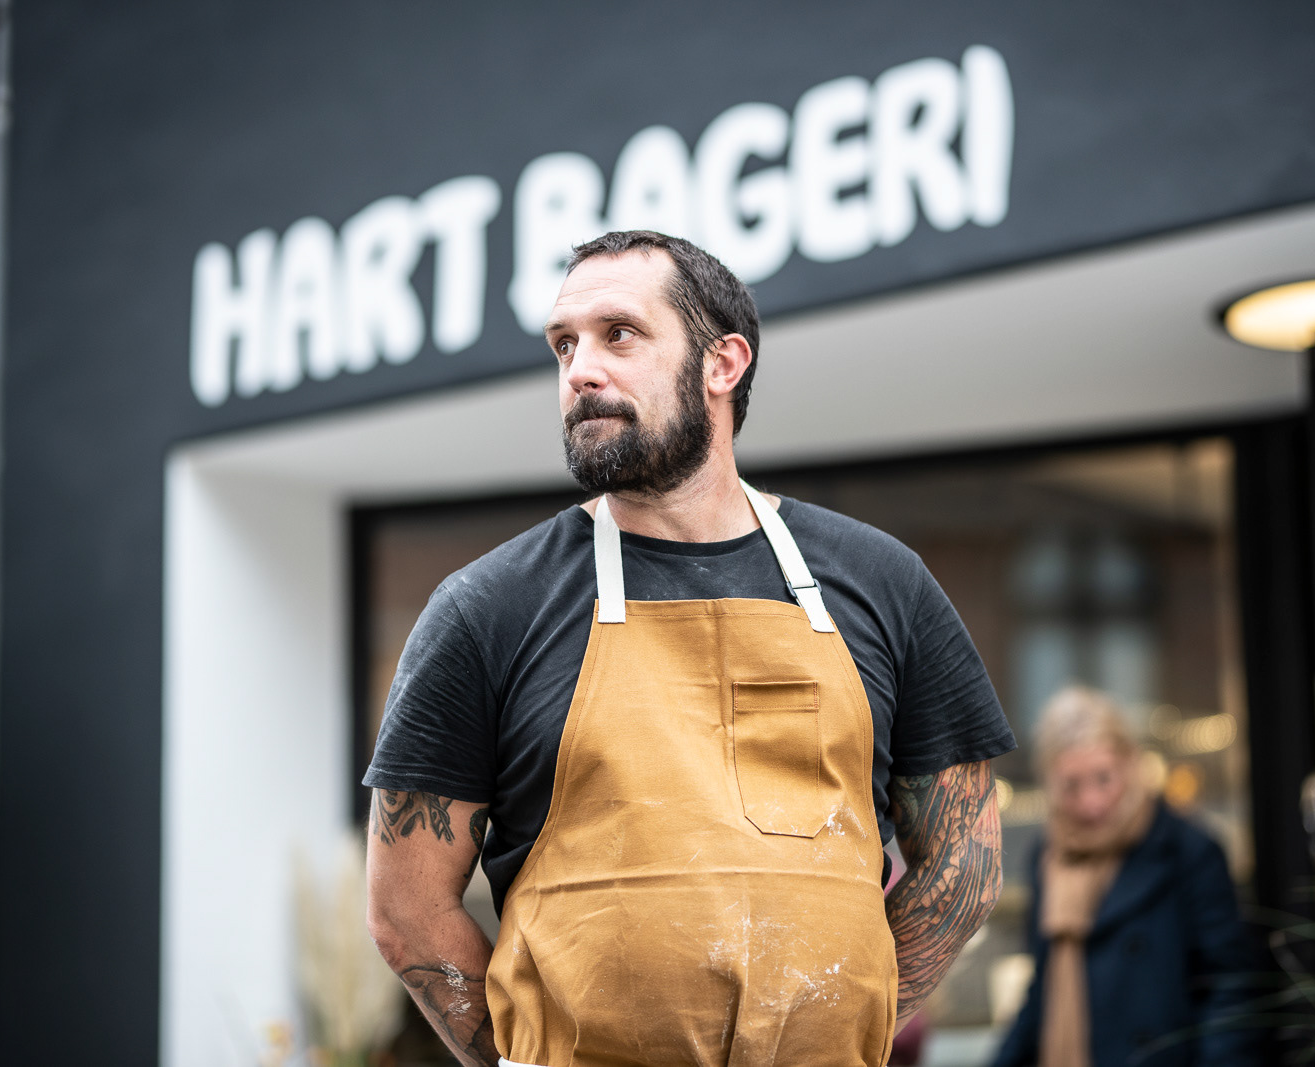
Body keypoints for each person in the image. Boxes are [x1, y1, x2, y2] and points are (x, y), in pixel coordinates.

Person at [363, 230, 1017, 1067]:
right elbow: (405, 906)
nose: (580, 370)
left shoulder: (882, 582)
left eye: (619, 334)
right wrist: (521, 1059)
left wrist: (851, 1028)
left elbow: (964, 864)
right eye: (564, 344)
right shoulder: (486, 608)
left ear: (724, 363)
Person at [991, 686, 1257, 1067]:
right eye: (1071, 785)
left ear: (1130, 766)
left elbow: (1230, 991)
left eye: (1103, 779)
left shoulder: (1188, 851)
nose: (1091, 803)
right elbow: (1043, 992)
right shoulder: (1047, 858)